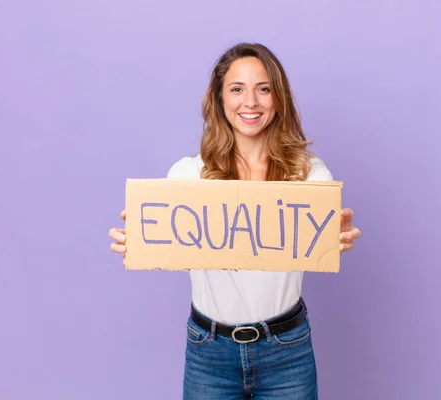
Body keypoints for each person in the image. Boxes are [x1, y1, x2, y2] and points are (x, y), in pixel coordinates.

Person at [109, 43, 361, 399]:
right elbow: (183, 251)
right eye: (237, 89)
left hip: (286, 349)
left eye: (264, 88)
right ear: (220, 99)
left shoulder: (308, 175)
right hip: (209, 351)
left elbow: (321, 235)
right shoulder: (188, 175)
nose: (251, 102)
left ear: (279, 97)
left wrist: (338, 236)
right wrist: (142, 243)